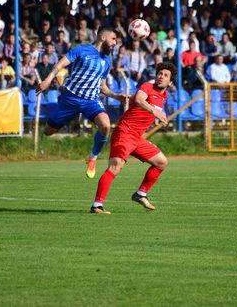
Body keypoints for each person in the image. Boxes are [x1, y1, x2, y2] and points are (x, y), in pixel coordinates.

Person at [36, 28, 128, 179]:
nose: (115, 43)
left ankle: (93, 158)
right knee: (48, 131)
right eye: (113, 39)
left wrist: (116, 96)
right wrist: (47, 80)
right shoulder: (81, 50)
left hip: (91, 100)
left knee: (105, 126)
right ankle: (69, 120)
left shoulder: (107, 61)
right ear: (103, 37)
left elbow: (102, 86)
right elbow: (60, 65)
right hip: (70, 98)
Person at [90, 62, 175, 214]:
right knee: (115, 168)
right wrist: (154, 112)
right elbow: (139, 100)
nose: (161, 76)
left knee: (161, 162)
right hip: (124, 132)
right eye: (160, 73)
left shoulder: (164, 96)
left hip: (137, 137)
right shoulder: (147, 87)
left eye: (166, 75)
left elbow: (142, 106)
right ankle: (97, 205)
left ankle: (140, 194)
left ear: (170, 82)